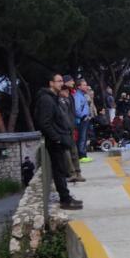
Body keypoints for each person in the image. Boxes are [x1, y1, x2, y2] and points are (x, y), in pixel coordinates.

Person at [34, 73, 83, 210]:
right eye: (59, 81)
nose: (62, 83)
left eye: (62, 81)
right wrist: (56, 138)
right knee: (59, 171)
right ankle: (65, 200)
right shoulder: (47, 100)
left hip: (57, 140)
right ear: (51, 83)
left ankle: (66, 197)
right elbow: (44, 123)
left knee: (61, 171)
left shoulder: (52, 98)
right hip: (55, 142)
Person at [74, 79, 93, 163]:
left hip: (85, 119)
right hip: (82, 120)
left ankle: (83, 154)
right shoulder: (78, 96)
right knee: (82, 138)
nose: (86, 86)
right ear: (79, 86)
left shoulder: (82, 95)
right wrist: (83, 116)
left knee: (84, 137)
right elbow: (77, 109)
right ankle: (81, 156)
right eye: (84, 85)